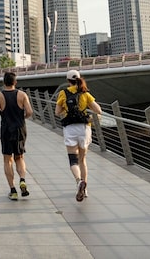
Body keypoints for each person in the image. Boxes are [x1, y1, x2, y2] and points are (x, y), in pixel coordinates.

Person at [55, 70, 102, 202]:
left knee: (73, 160)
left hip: (70, 128)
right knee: (82, 160)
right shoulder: (85, 93)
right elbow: (98, 110)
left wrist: (66, 108)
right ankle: (85, 189)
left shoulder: (63, 93)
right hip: (84, 129)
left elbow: (57, 112)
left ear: (68, 80)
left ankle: (79, 181)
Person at [0, 72, 33, 200]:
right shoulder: (22, 95)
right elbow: (29, 112)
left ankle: (13, 190)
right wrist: (22, 117)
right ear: (15, 82)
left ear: (4, 82)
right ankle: (22, 179)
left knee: (7, 160)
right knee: (19, 157)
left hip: (6, 130)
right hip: (20, 129)